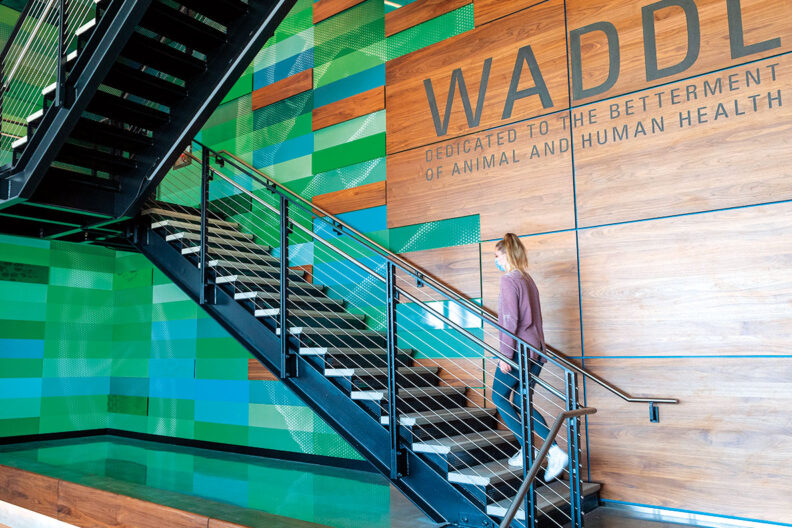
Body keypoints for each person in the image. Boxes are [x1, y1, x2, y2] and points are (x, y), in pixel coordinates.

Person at [492, 233, 568, 481]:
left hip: (518, 353)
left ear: (506, 255)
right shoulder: (527, 279)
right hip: (535, 352)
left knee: (498, 397)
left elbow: (509, 321)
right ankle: (553, 451)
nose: (496, 261)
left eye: (497, 256)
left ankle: (529, 450)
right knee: (522, 402)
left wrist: (505, 355)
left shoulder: (509, 280)